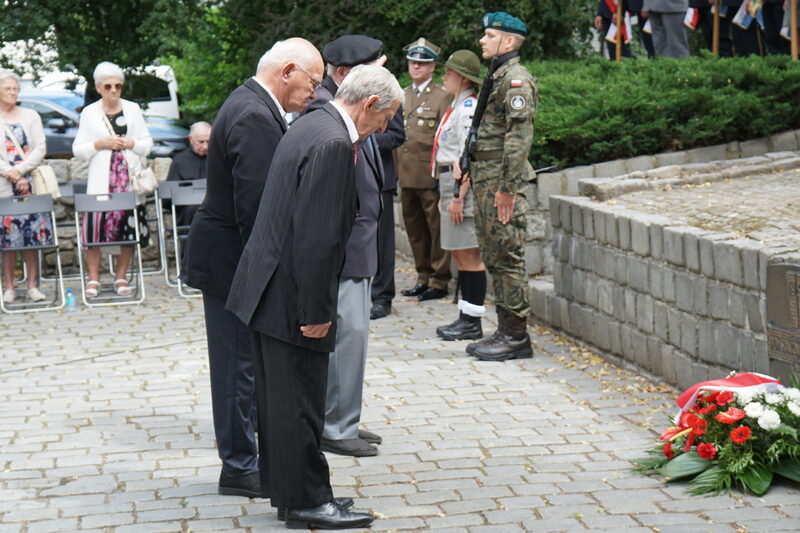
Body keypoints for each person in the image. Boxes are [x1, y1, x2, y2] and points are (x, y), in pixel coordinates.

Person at [226, 64, 402, 530]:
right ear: (369, 105)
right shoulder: (331, 142)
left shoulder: (313, 121)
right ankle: (308, 500)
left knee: (281, 401)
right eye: (385, 117)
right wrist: (317, 312)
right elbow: (317, 239)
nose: (385, 128)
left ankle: (292, 494)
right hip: (291, 295)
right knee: (300, 402)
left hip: (269, 287)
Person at [182, 38, 323, 499]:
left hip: (231, 260)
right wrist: (273, 279)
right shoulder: (256, 116)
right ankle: (239, 466)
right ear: (287, 71)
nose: (315, 94)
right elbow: (260, 211)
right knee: (238, 368)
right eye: (312, 82)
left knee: (242, 365)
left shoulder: (253, 105)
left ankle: (246, 459)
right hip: (232, 266)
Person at [301, 34, 386, 458]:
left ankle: (344, 416)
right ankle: (336, 425)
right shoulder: (329, 114)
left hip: (359, 247)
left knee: (353, 339)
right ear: (343, 74)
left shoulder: (352, 110)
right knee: (346, 337)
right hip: (345, 249)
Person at [465, 12, 538, 362]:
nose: (483, 40)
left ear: (509, 42)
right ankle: (505, 330)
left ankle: (516, 337)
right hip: (487, 177)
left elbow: (518, 137)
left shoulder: (515, 80)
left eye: (489, 35)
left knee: (507, 256)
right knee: (494, 254)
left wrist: (508, 187)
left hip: (500, 181)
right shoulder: (496, 76)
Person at [72, 61, 153, 298]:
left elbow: (148, 144)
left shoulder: (133, 109)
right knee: (94, 230)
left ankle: (121, 276)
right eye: (108, 86)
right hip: (100, 181)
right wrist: (99, 144)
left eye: (118, 86)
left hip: (127, 179)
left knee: (127, 231)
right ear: (98, 88)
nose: (114, 91)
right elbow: (78, 149)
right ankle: (94, 278)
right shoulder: (89, 112)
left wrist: (131, 143)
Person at [431, 51, 487, 342]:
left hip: (458, 185)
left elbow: (468, 157)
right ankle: (466, 316)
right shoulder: (458, 105)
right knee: (460, 254)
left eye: (449, 73)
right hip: (449, 182)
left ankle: (473, 319)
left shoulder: (467, 109)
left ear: (463, 78)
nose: (444, 77)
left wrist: (458, 196)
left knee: (468, 254)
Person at [395, 38, 452, 302]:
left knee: (436, 230)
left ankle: (439, 281)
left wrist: (443, 175)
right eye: (413, 62)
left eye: (422, 63)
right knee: (415, 230)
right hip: (406, 175)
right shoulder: (402, 95)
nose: (416, 67)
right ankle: (422, 276)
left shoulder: (442, 96)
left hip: (430, 175)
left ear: (432, 67)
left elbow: (445, 138)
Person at [0, 71, 52, 304]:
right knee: (8, 238)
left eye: (16, 89)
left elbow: (40, 148)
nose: (13, 92)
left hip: (30, 181)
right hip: (3, 183)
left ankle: (32, 285)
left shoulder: (30, 115)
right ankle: (9, 286)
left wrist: (21, 172)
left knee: (32, 236)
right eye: (8, 88)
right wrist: (10, 174)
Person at [369, 106, 405, 320]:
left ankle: (382, 297)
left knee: (382, 242)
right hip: (351, 176)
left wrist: (367, 139)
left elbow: (397, 135)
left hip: (380, 179)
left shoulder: (387, 93)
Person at [166, 121, 211, 226]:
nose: (205, 147)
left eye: (208, 142)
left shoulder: (219, 158)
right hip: (189, 210)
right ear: (191, 139)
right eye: (201, 142)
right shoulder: (179, 161)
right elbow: (169, 196)